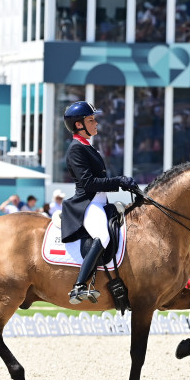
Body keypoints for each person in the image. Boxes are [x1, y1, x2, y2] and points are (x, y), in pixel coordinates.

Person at [60, 101, 136, 304]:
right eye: (91, 120)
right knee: (102, 235)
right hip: (88, 203)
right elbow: (88, 183)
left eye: (94, 120)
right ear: (79, 125)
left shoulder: (88, 147)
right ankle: (79, 286)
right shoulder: (76, 149)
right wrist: (118, 181)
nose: (96, 124)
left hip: (102, 202)